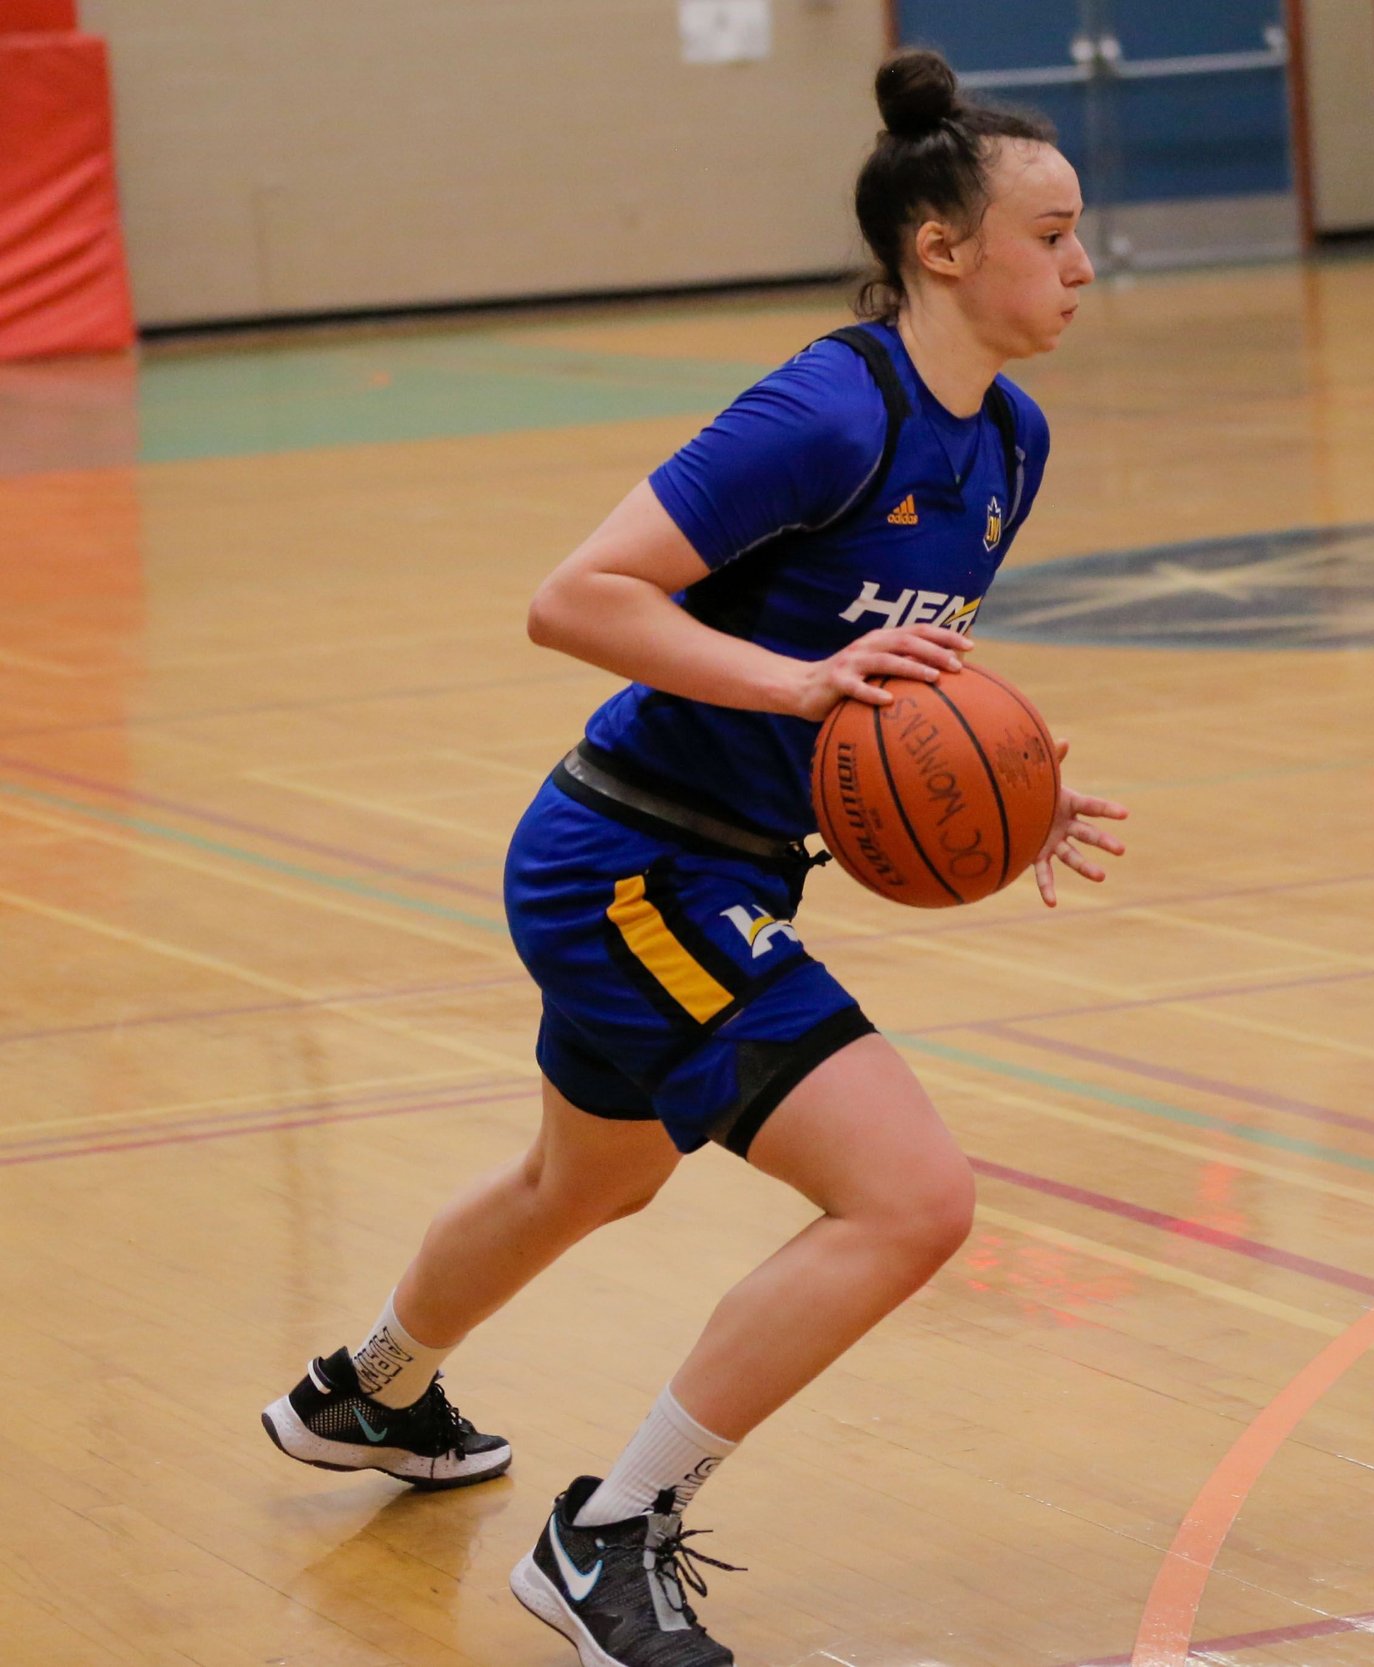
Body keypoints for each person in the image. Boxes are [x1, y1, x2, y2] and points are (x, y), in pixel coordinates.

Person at [258, 49, 1125, 1667]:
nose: (1084, 264)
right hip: (633, 867)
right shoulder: (826, 408)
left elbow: (888, 700)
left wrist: (1011, 793)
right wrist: (798, 685)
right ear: (944, 245)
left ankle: (367, 1394)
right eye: (1055, 232)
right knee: (913, 1200)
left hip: (719, 860)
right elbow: (577, 596)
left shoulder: (1005, 438)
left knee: (588, 1176)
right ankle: (609, 1535)